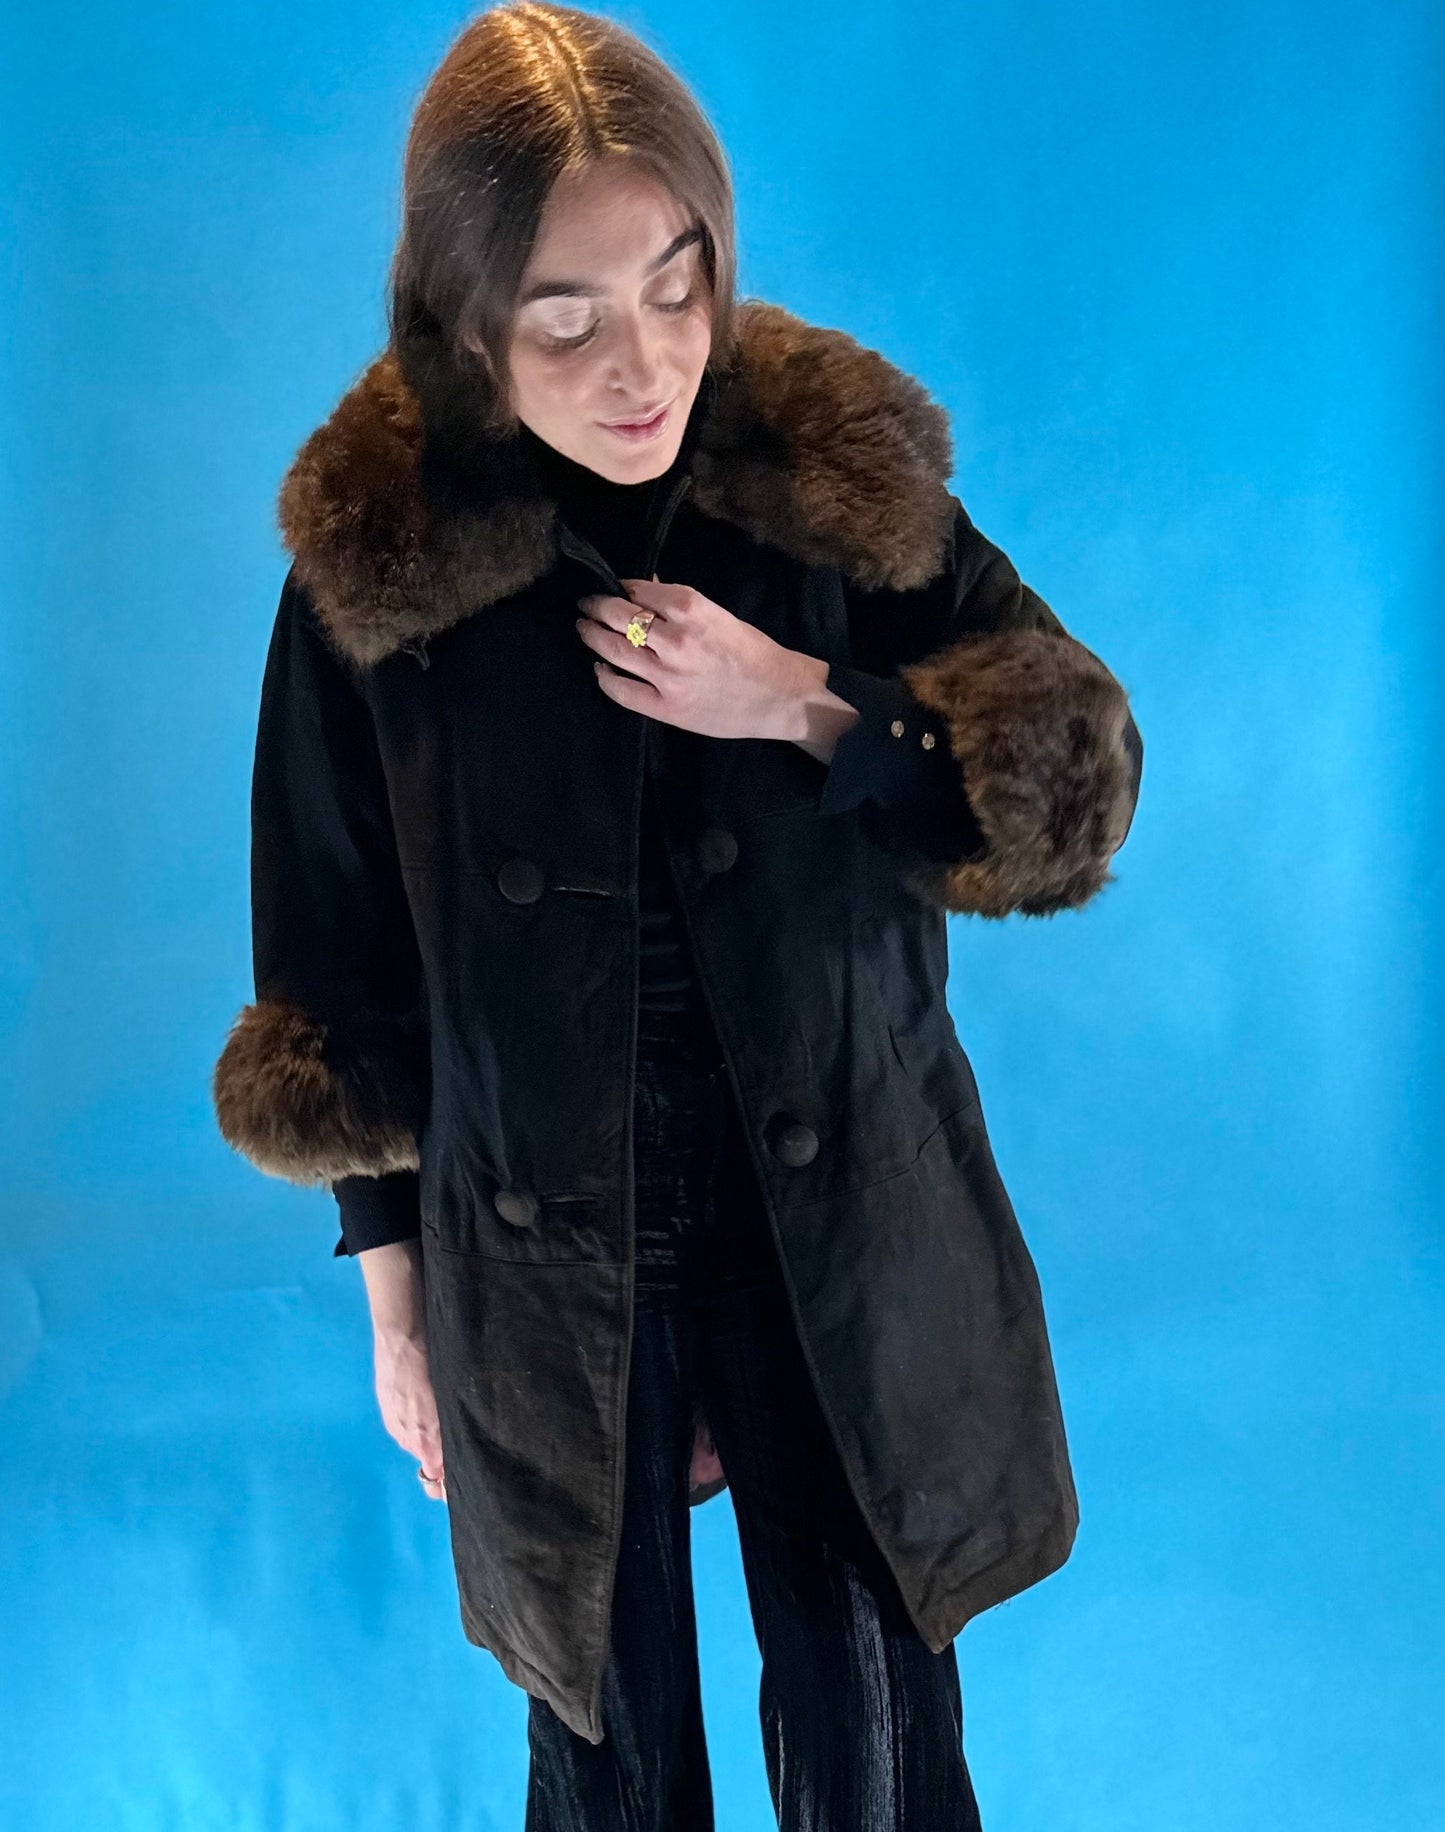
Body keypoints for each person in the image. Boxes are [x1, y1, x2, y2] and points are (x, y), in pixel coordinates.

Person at [211, 4, 1144, 1825]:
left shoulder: (827, 470)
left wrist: (797, 700)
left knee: (874, 1712)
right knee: (603, 1734)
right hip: (542, 1231)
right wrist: (397, 1307)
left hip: (840, 1201)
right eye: (564, 317)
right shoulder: (381, 558)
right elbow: (327, 959)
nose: (641, 363)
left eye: (675, 283)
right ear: (464, 318)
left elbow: (1072, 771)